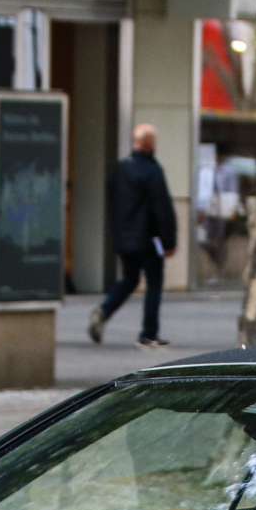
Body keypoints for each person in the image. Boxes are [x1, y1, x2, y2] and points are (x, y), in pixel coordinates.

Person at [90, 123, 177, 349]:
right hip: (149, 239)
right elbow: (162, 208)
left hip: (124, 238)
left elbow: (113, 201)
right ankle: (148, 333)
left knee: (130, 278)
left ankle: (104, 310)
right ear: (150, 143)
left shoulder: (120, 169)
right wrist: (169, 241)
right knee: (154, 282)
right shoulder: (152, 171)